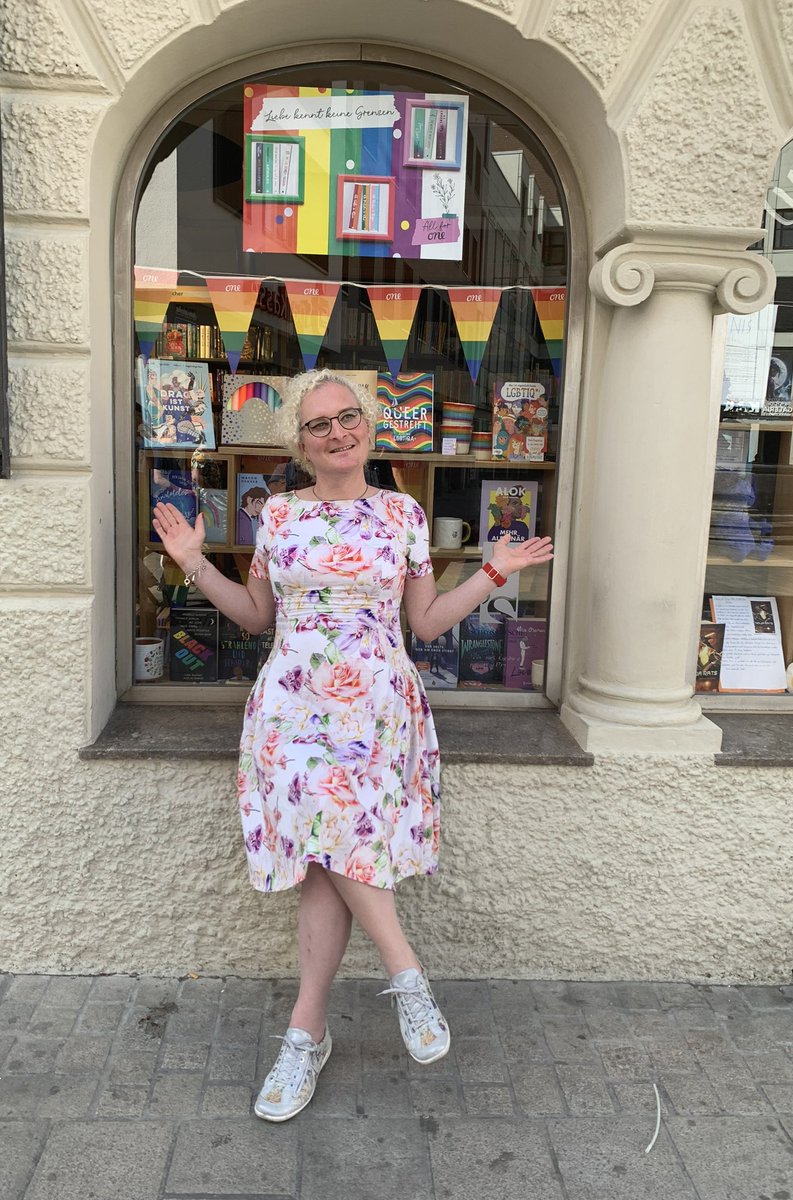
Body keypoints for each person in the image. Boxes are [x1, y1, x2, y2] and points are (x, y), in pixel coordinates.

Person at [152, 368, 553, 1123]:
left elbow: (428, 624)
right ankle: (405, 976)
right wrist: (193, 563)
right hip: (294, 704)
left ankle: (307, 1033)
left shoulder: (403, 514)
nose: (336, 432)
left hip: (374, 704)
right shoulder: (277, 516)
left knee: (328, 860)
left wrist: (499, 570)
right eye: (317, 425)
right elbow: (252, 616)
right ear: (301, 446)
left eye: (347, 418)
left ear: (367, 425)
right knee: (330, 841)